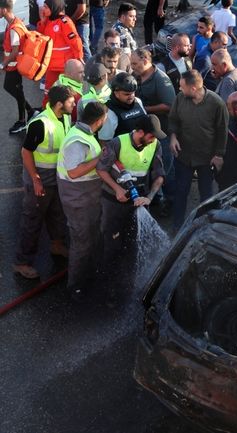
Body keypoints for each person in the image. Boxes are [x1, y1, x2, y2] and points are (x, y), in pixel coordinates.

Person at [14, 86, 74, 279]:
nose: (74, 104)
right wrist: (35, 180)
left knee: (57, 215)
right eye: (70, 102)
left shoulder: (65, 117)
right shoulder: (40, 123)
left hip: (57, 179)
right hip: (40, 180)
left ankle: (57, 245)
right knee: (32, 221)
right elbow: (26, 152)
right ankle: (22, 262)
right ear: (59, 104)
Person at [97, 114, 165, 269]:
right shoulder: (117, 143)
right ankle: (109, 269)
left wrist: (149, 197)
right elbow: (101, 169)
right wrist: (117, 189)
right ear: (140, 132)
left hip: (139, 200)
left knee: (137, 239)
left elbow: (159, 176)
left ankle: (131, 268)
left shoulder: (156, 145)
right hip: (113, 200)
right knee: (111, 237)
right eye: (151, 136)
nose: (153, 140)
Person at [56, 100, 108, 301]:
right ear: (99, 121)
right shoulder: (78, 140)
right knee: (81, 242)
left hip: (86, 197)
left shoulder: (84, 133)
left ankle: (88, 275)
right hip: (78, 199)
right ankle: (75, 286)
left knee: (89, 238)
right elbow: (74, 172)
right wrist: (99, 159)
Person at [169, 69, 228, 230]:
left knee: (206, 195)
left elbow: (222, 131)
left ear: (193, 88)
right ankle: (178, 227)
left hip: (206, 158)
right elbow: (173, 120)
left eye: (182, 86)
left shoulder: (217, 103)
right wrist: (173, 137)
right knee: (181, 192)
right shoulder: (180, 99)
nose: (180, 89)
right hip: (183, 156)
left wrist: (219, 155)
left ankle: (205, 228)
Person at [131, 47, 175, 208]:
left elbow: (169, 105)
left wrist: (143, 108)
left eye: (135, 63)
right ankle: (156, 199)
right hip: (146, 134)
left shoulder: (160, 79)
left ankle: (170, 202)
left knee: (165, 169)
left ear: (145, 60)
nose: (132, 66)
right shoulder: (137, 76)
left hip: (162, 133)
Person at [1, 0, 34, 134]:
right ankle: (30, 112)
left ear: (3, 10)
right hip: (14, 66)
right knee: (15, 90)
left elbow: (15, 52)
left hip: (14, 67)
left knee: (14, 89)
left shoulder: (14, 28)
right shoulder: (14, 22)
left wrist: (4, 63)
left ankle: (22, 121)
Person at [38, 0, 84, 93]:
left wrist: (78, 58)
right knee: (49, 90)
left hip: (64, 66)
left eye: (46, 7)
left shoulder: (65, 21)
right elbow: (41, 36)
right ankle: (46, 106)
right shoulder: (47, 20)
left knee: (66, 92)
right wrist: (42, 22)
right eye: (44, 6)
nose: (43, 9)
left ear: (54, 7)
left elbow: (75, 41)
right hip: (51, 64)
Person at [99, 72, 146, 142]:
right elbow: (104, 140)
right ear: (116, 93)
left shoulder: (137, 101)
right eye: (127, 94)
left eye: (133, 93)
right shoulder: (109, 110)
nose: (131, 96)